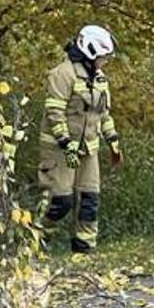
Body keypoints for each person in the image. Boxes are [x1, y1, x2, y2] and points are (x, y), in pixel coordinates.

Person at [39, 25, 123, 253]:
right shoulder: (63, 74)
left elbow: (103, 113)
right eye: (104, 57)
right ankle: (34, 243)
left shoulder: (100, 79)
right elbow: (54, 111)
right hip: (61, 150)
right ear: (91, 51)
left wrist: (112, 138)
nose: (105, 62)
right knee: (60, 202)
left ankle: (84, 251)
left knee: (89, 200)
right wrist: (65, 141)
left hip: (88, 150)